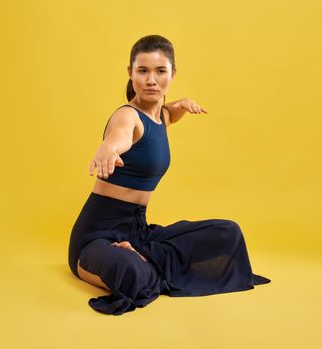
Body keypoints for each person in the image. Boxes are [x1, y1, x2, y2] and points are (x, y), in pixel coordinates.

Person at [67, 34, 271, 316]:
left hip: (137, 232)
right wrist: (107, 148)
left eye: (160, 71)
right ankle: (138, 262)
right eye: (143, 71)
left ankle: (142, 256)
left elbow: (168, 114)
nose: (151, 79)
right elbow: (120, 136)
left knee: (227, 232)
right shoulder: (127, 116)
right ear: (130, 73)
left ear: (173, 74)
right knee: (130, 272)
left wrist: (180, 105)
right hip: (96, 237)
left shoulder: (162, 115)